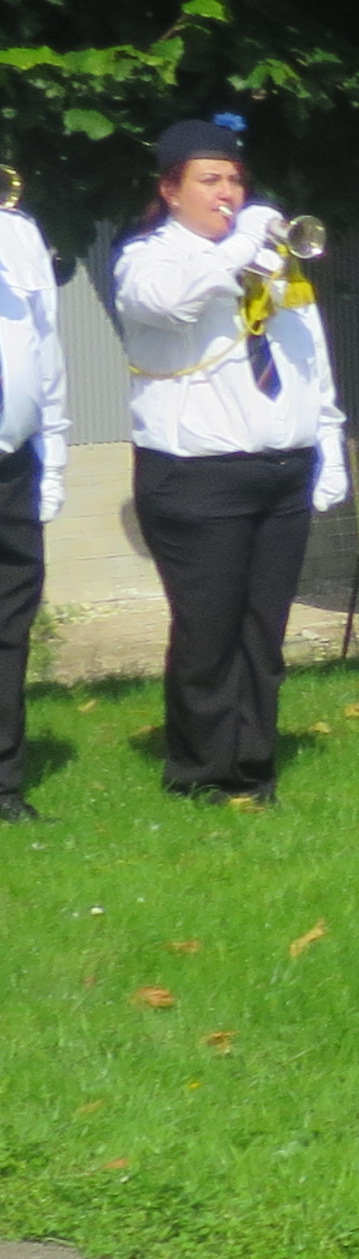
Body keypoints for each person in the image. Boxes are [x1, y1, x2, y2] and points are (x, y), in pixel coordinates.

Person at [111, 114, 345, 803]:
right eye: (210, 180)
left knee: (263, 630)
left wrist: (327, 444)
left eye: (236, 181)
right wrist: (244, 245)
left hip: (281, 468)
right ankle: (201, 772)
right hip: (196, 475)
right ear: (171, 190)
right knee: (208, 631)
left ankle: (252, 765)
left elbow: (310, 361)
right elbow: (171, 305)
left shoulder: (269, 261)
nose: (228, 194)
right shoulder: (148, 257)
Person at [0, 164, 68, 821]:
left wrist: (55, 457)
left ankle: (2, 784)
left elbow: (46, 352)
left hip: (12, 462)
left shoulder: (17, 235)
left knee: (8, 628)